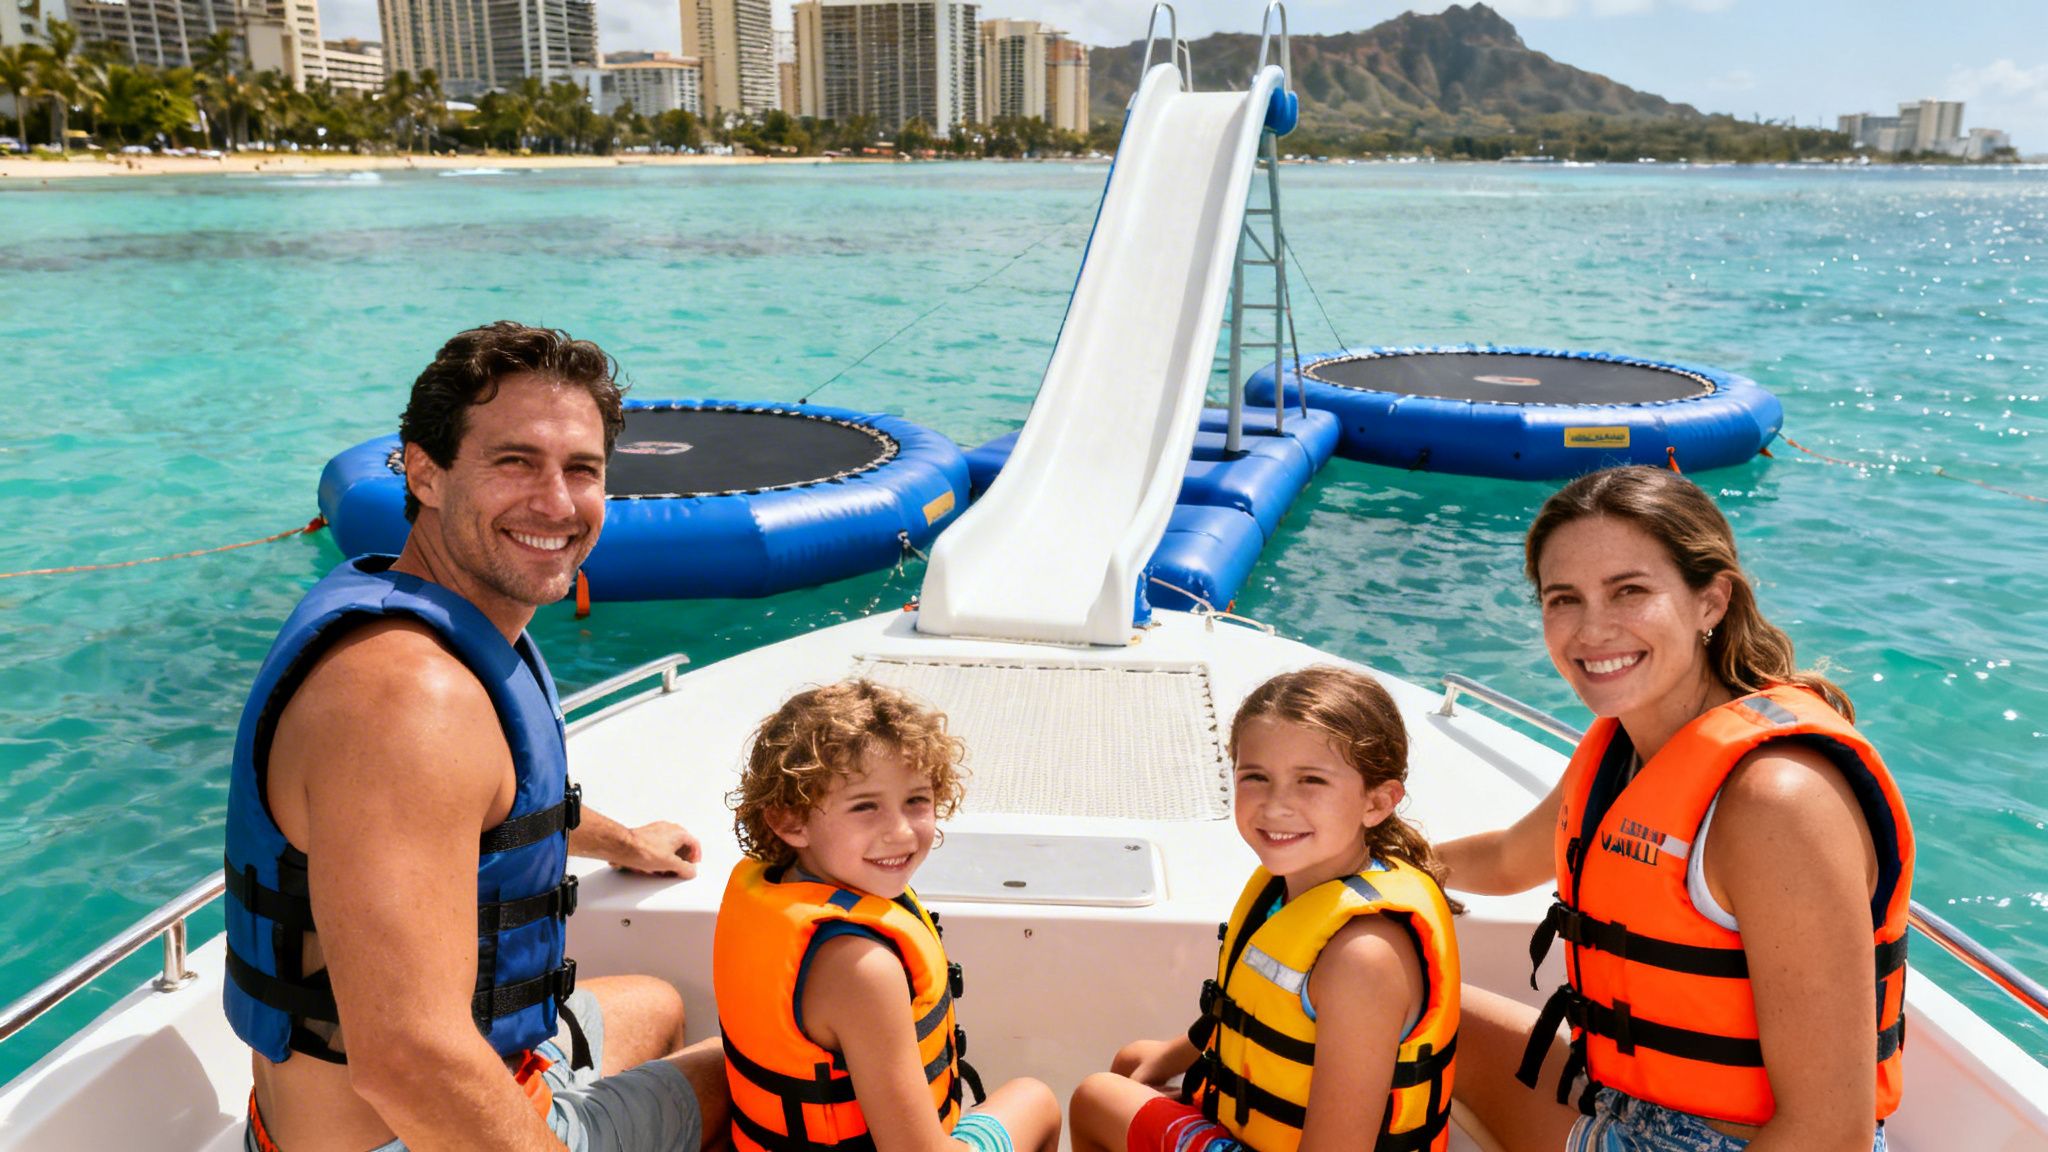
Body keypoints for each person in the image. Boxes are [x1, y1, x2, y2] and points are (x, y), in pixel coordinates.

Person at [222, 322, 730, 1152]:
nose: (557, 503)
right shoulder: (408, 699)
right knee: (761, 1075)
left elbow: (470, 809)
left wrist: (615, 839)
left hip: (445, 1087)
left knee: (658, 1002)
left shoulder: (419, 617)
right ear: (423, 471)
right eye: (515, 462)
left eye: (582, 470)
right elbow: (407, 1061)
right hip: (407, 1132)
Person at [1440, 465, 1913, 1152]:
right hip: (1625, 1098)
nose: (1591, 630)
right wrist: (1372, 856)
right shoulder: (1624, 749)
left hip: (1719, 1143)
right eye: (1563, 599)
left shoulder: (1773, 800)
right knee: (1391, 984)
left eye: (1629, 591)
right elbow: (1511, 858)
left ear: (1710, 602)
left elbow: (1829, 1131)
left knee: (1392, 1000)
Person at [1070, 666, 1462, 1152]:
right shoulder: (1288, 889)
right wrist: (1178, 1055)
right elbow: (1250, 1016)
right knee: (1134, 1061)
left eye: (1310, 781)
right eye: (1256, 777)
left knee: (1096, 1097)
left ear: (1378, 802)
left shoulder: (1362, 957)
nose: (1276, 805)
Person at [715, 680, 1061, 1152]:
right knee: (1035, 1100)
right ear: (789, 821)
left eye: (916, 800)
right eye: (865, 806)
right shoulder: (860, 967)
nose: (899, 833)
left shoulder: (777, 888)